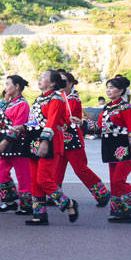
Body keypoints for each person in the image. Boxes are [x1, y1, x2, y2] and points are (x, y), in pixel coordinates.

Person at [89, 75, 131, 222]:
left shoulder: (127, 108)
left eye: (112, 88)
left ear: (121, 90)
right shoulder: (107, 108)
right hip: (110, 147)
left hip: (124, 148)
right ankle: (122, 212)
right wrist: (82, 124)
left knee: (118, 180)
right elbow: (99, 127)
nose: (108, 91)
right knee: (114, 181)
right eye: (107, 88)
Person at [24, 70, 79, 226]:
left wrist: (45, 141)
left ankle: (68, 203)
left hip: (50, 142)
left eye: (43, 78)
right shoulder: (40, 99)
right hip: (34, 141)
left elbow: (52, 122)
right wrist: (22, 127)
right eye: (39, 77)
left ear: (53, 83)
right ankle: (39, 214)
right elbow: (35, 121)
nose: (39, 79)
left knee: (43, 179)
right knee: (35, 180)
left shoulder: (56, 99)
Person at [54, 70, 110, 207]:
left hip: (72, 139)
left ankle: (102, 192)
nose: (60, 85)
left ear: (71, 83)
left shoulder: (73, 99)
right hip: (61, 139)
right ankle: (55, 195)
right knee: (57, 169)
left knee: (80, 169)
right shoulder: (59, 98)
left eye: (64, 82)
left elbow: (68, 118)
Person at [0, 75, 33, 214]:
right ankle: (9, 200)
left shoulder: (22, 104)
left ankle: (27, 205)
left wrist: (4, 142)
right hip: (6, 143)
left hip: (18, 144)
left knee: (23, 174)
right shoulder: (8, 102)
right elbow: (2, 121)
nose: (5, 87)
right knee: (0, 169)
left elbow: (17, 126)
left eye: (8, 84)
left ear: (17, 86)